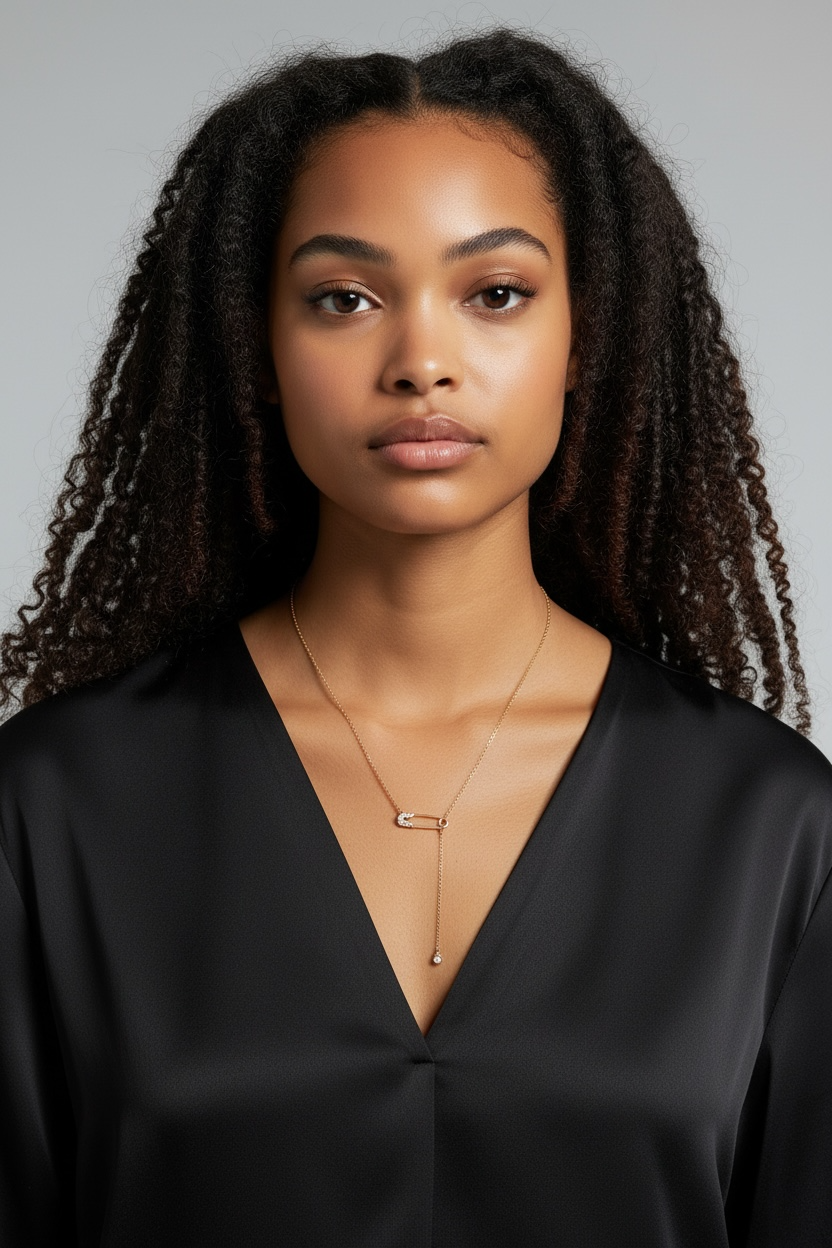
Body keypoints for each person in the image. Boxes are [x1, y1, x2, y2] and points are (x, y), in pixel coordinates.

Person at [1, 25, 830, 1247]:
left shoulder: (768, 824)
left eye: (495, 294)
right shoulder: (56, 807)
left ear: (580, 340)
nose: (422, 362)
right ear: (258, 350)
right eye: (344, 298)